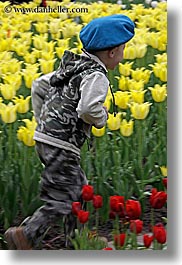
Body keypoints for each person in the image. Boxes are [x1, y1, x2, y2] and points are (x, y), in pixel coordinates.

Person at [5, 14, 135, 250]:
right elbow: (87, 108)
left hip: (47, 140)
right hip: (62, 144)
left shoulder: (73, 65)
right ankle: (26, 234)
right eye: (124, 48)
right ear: (113, 52)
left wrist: (43, 121)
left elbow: (40, 85)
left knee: (78, 188)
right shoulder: (97, 76)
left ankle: (77, 237)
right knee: (63, 197)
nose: (123, 54)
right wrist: (100, 118)